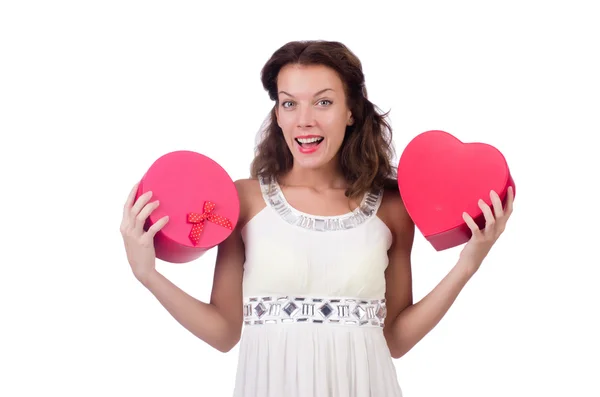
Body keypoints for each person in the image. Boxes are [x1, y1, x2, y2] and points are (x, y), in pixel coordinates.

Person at [120, 40, 514, 397]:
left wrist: (468, 264)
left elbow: (395, 338)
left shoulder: (391, 208)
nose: (304, 120)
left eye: (323, 102)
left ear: (351, 112)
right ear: (277, 114)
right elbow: (224, 333)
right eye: (289, 103)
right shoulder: (245, 199)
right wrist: (148, 275)